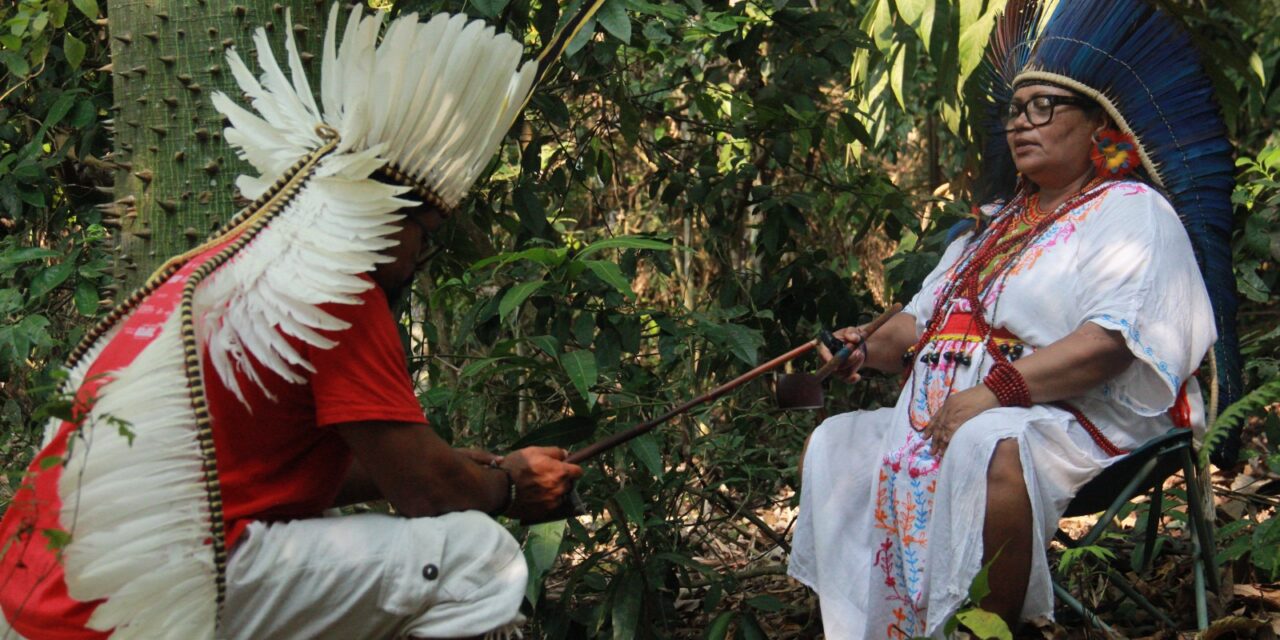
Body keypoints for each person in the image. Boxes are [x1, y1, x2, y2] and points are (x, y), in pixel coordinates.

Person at [0, 5, 600, 639]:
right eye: (426, 237)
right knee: (479, 560)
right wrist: (507, 487)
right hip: (123, 605)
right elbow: (428, 496)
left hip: (28, 597)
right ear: (392, 213)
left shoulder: (216, 270)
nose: (420, 259)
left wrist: (454, 465)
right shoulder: (336, 289)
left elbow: (269, 475)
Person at [787, 0, 1238, 636]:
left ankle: (984, 630)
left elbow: (1110, 344)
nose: (1021, 124)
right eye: (1015, 111)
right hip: (946, 416)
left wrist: (994, 394)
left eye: (1045, 107)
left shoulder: (1131, 211)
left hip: (1076, 416)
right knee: (837, 444)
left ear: (1099, 124)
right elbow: (920, 326)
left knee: (990, 442)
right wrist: (864, 347)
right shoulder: (990, 226)